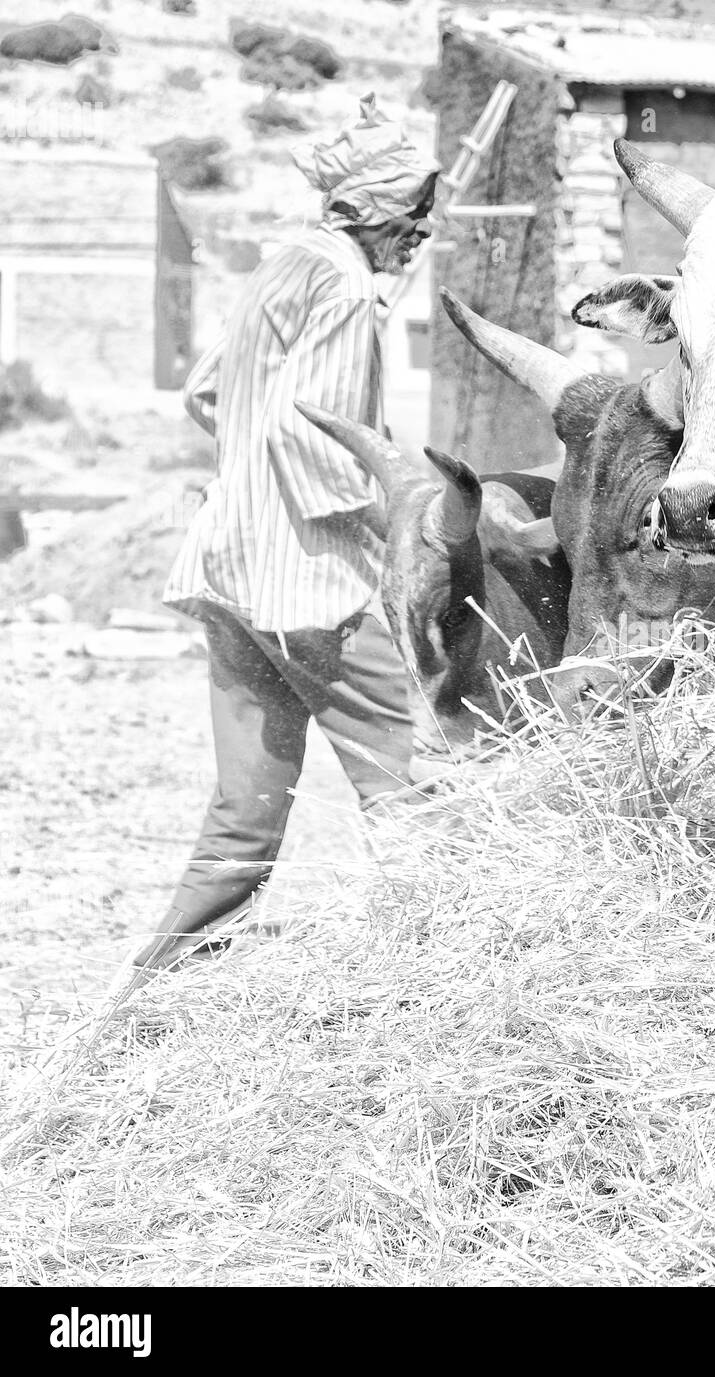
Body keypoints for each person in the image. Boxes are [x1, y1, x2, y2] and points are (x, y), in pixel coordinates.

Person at [134, 95, 439, 974]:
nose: (421, 231)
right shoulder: (345, 283)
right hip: (310, 585)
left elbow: (204, 393)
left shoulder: (282, 266)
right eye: (414, 212)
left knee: (244, 815)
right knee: (416, 784)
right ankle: (453, 981)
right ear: (372, 207)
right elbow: (315, 438)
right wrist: (397, 520)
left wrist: (247, 485)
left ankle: (140, 999)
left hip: (230, 567)